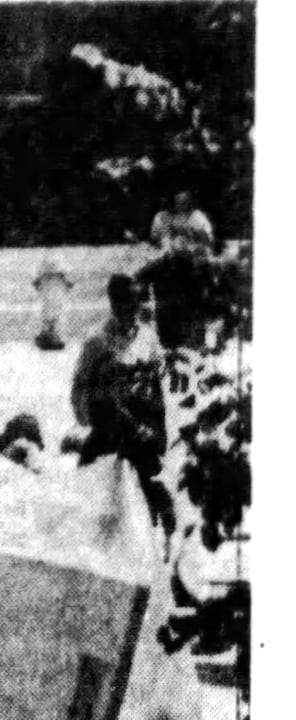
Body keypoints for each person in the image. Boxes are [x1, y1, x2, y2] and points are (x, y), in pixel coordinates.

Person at [70, 274, 172, 540]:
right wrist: (86, 417)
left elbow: (159, 387)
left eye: (134, 304)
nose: (130, 311)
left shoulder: (149, 338)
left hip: (142, 432)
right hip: (110, 430)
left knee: (159, 498)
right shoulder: (97, 342)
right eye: (123, 304)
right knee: (94, 492)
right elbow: (80, 385)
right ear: (113, 304)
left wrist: (160, 431)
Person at [150, 188, 214, 254]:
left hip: (192, 255)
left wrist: (190, 232)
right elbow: (154, 239)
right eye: (177, 201)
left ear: (190, 201)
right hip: (166, 257)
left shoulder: (197, 217)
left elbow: (208, 242)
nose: (179, 205)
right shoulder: (161, 216)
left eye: (184, 202)